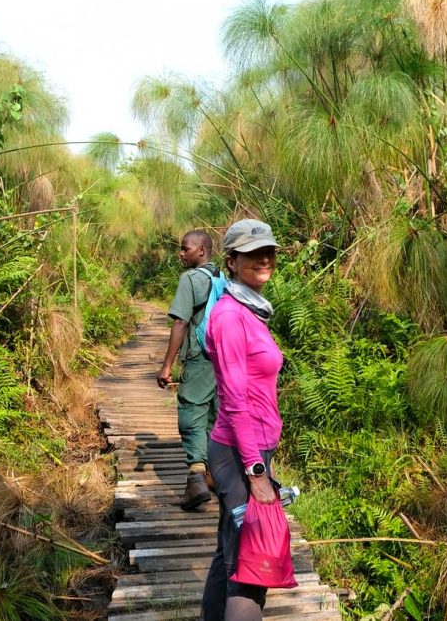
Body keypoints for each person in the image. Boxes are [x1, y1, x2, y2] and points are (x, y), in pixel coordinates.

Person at [201, 219, 283, 621]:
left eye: (268, 251)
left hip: (245, 449)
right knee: (251, 568)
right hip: (239, 453)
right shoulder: (231, 316)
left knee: (229, 554)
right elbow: (233, 401)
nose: (264, 259)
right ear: (231, 261)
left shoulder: (250, 310)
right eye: (252, 253)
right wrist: (255, 472)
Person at [157, 230, 221, 510]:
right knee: (214, 415)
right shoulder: (223, 278)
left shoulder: (190, 279)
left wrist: (167, 365)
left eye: (185, 248)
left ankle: (196, 477)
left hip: (199, 357)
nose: (181, 254)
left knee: (191, 410)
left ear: (202, 251)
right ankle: (216, 476)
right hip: (224, 360)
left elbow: (181, 323)